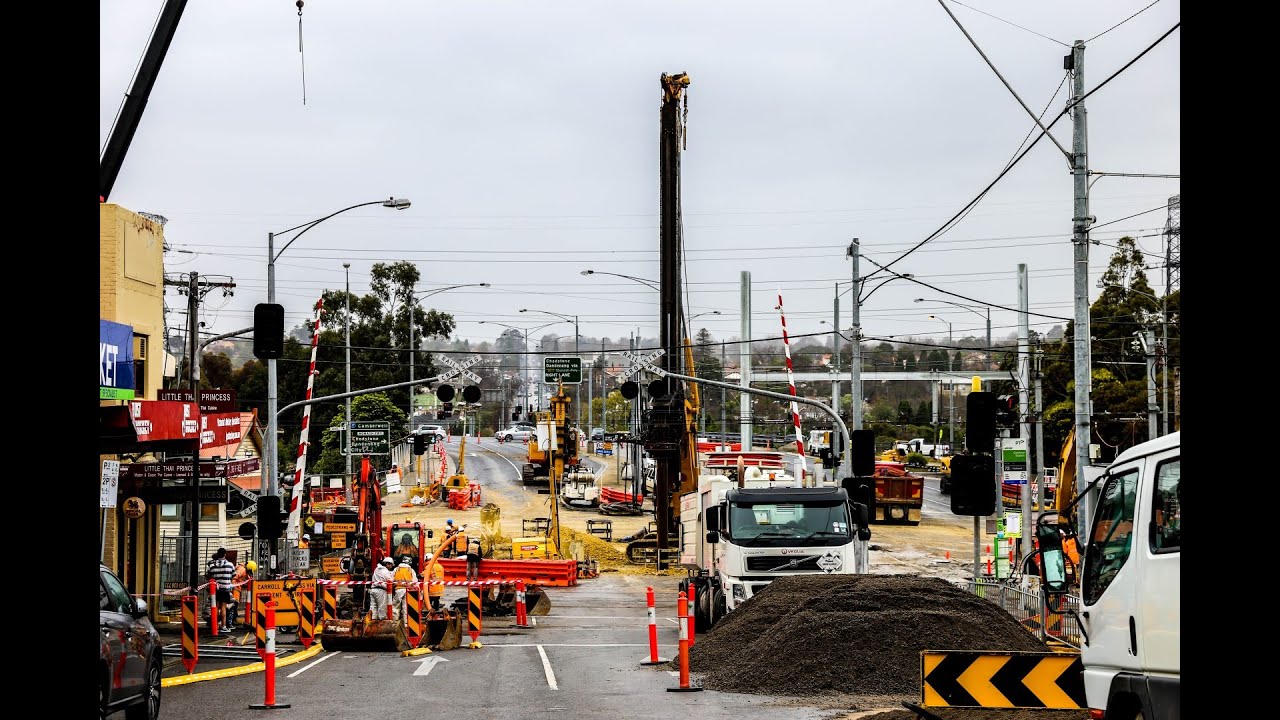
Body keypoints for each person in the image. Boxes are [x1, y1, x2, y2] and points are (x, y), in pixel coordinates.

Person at [205, 548, 235, 632]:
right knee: (223, 607)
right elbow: (233, 575)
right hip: (225, 588)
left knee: (216, 607)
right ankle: (223, 626)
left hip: (215, 589)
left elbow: (207, 575)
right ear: (225, 554)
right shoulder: (230, 564)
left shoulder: (211, 565)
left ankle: (215, 625)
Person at [392, 555, 419, 621]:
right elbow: (415, 582)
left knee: (396, 606)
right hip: (408, 590)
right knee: (405, 607)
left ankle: (395, 621)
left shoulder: (396, 569)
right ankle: (406, 623)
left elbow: (391, 579)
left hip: (398, 590)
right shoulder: (410, 570)